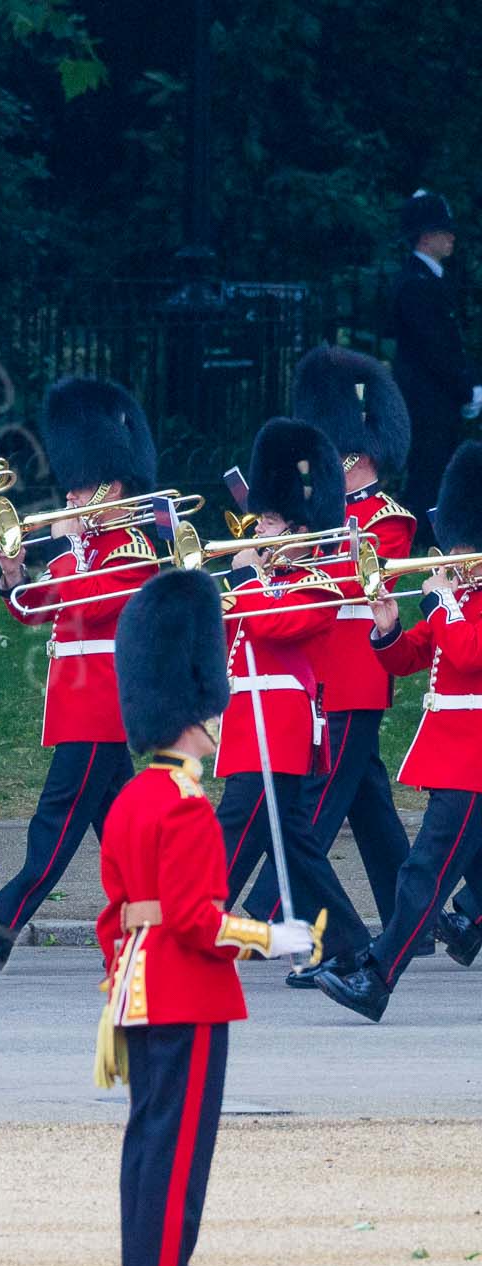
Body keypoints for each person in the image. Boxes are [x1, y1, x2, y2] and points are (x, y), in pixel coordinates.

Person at [95, 569, 317, 1266]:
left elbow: (113, 918)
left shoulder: (130, 797)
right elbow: (199, 921)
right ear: (199, 713)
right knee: (180, 1148)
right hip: (187, 992)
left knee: (149, 1141)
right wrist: (270, 935)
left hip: (139, 989)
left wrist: (125, 978)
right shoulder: (186, 806)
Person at [0, 377, 160, 968]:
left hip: (102, 704)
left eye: (83, 489)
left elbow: (86, 605)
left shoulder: (133, 547)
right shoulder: (81, 551)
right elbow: (37, 611)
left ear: (112, 484)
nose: (74, 499)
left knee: (53, 827)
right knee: (123, 839)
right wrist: (12, 576)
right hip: (81, 703)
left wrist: (65, 550)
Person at [241, 348, 416, 974]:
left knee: (307, 818)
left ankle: (284, 924)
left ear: (358, 452)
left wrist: (289, 557)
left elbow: (348, 583)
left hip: (352, 681)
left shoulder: (388, 520)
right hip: (316, 679)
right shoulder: (323, 517)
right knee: (367, 808)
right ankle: (419, 919)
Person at [319, 441, 482, 1022]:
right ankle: (468, 924)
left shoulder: (461, 601)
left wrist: (442, 604)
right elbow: (416, 657)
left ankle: (378, 975)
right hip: (455, 750)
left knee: (423, 871)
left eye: (460, 543)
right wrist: (387, 629)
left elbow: (468, 655)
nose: (451, 554)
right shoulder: (463, 596)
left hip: (472, 756)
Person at [212, 419, 373, 982]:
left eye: (272, 520)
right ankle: (351, 942)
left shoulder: (319, 582)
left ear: (299, 528)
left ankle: (188, 929)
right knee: (298, 847)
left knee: (234, 826)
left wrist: (250, 580)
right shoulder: (261, 580)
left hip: (278, 727)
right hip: (249, 723)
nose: (259, 529)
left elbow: (277, 628)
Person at [389, 190, 480, 543]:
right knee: (429, 470)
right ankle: (423, 537)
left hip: (436, 397)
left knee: (437, 467)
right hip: (427, 400)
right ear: (427, 237)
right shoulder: (417, 284)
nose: (452, 236)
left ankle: (432, 534)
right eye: (444, 230)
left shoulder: (428, 280)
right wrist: (466, 387)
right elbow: (435, 349)